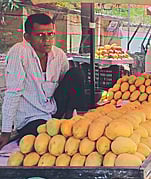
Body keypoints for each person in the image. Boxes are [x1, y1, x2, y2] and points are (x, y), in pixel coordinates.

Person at [0, 13, 87, 149]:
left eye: (50, 34)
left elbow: (67, 85)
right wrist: (5, 132)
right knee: (43, 141)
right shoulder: (19, 52)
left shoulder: (58, 55)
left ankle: (70, 119)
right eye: (40, 35)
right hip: (31, 118)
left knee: (76, 73)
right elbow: (12, 93)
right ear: (27, 37)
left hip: (53, 110)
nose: (47, 40)